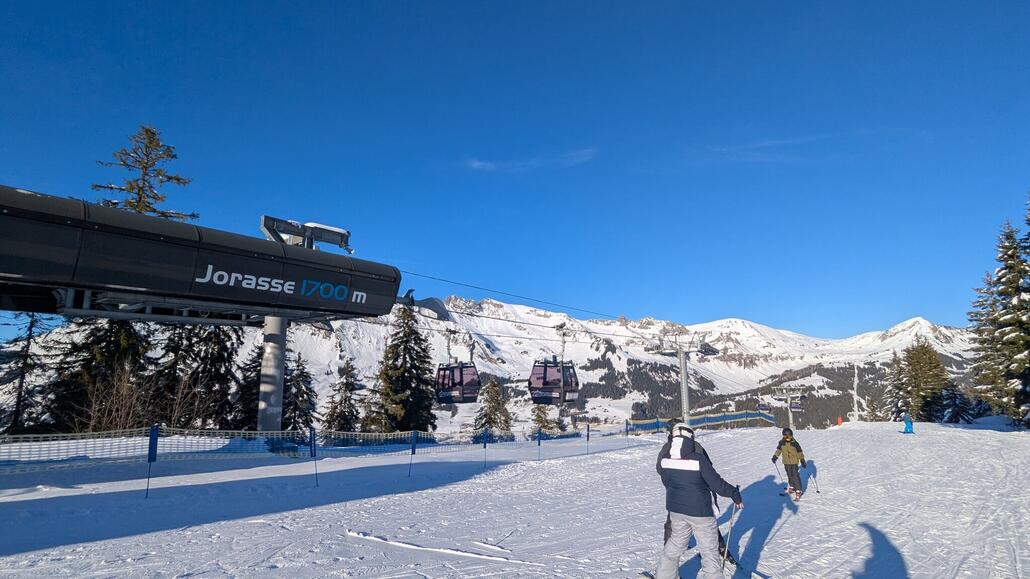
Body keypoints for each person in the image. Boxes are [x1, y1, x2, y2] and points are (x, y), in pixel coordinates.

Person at [655, 422, 744, 579]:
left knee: (675, 544)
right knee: (709, 551)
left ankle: (664, 576)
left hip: (676, 511)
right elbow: (717, 484)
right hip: (700, 512)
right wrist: (734, 493)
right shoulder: (698, 459)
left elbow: (667, 481)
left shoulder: (665, 460)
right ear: (690, 437)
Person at [771, 427, 806, 500]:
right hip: (786, 462)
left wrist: (802, 460)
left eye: (789, 436)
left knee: (795, 475)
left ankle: (798, 490)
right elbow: (778, 450)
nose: (788, 438)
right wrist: (775, 456)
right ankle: (792, 487)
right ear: (783, 436)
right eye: (786, 436)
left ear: (792, 436)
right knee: (789, 474)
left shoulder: (795, 443)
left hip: (794, 462)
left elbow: (800, 452)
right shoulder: (781, 443)